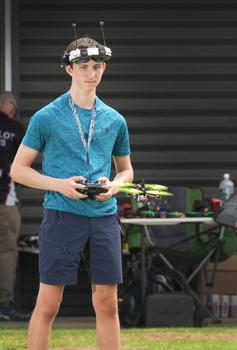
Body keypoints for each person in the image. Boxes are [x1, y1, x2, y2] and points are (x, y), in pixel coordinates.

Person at [11, 36, 133, 350]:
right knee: (49, 303)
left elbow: (126, 170)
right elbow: (18, 170)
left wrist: (115, 187)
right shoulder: (46, 117)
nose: (91, 73)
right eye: (83, 67)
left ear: (103, 68)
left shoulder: (115, 119)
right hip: (62, 215)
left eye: (97, 66)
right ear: (69, 69)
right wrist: (60, 184)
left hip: (104, 218)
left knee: (107, 303)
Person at [0, 91, 29, 321]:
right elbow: (22, 166)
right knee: (7, 252)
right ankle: (3, 305)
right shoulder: (16, 129)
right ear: (10, 107)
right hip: (5, 201)